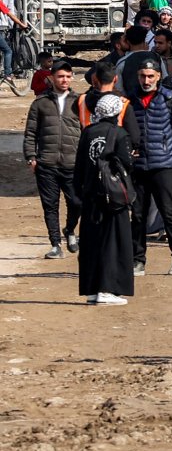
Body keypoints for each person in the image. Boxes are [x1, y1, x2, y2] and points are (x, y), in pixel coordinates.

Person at [124, 57, 172, 276]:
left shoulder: (170, 99)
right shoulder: (130, 100)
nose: (146, 80)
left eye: (151, 76)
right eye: (143, 76)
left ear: (159, 77)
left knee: (168, 212)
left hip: (165, 164)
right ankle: (138, 260)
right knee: (138, 214)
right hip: (139, 166)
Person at [76, 95, 136, 305]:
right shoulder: (119, 133)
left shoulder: (88, 132)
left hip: (90, 195)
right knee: (114, 242)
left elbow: (80, 165)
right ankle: (108, 289)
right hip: (112, 198)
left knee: (92, 242)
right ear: (117, 112)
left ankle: (92, 289)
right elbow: (126, 165)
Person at [25, 60, 83, 260]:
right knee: (50, 206)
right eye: (60, 76)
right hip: (46, 163)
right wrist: (31, 157)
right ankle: (55, 244)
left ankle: (70, 230)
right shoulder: (40, 103)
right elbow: (31, 132)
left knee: (77, 202)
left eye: (68, 76)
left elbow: (87, 132)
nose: (64, 80)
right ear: (51, 78)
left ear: (72, 77)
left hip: (73, 163)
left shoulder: (80, 101)